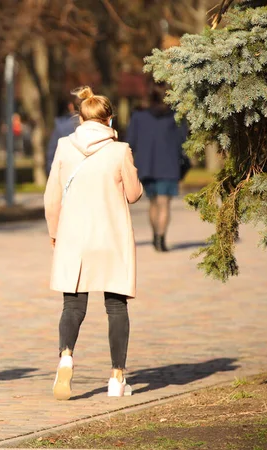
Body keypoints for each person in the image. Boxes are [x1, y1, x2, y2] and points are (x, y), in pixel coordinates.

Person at [44, 86, 143, 401]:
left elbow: (51, 196)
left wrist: (55, 231)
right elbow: (133, 194)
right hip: (110, 237)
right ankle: (117, 377)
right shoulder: (120, 150)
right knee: (116, 306)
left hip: (74, 237)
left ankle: (66, 356)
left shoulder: (64, 146)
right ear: (109, 120)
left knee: (72, 305)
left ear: (80, 117)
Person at [126, 83, 188, 252]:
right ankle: (160, 238)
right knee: (164, 204)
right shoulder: (175, 115)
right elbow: (184, 139)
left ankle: (155, 235)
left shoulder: (139, 116)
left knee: (153, 203)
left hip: (146, 165)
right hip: (168, 164)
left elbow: (131, 141)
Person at [46, 96, 81, 175]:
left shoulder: (61, 126)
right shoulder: (99, 128)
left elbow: (51, 157)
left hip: (67, 177)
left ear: (71, 106)